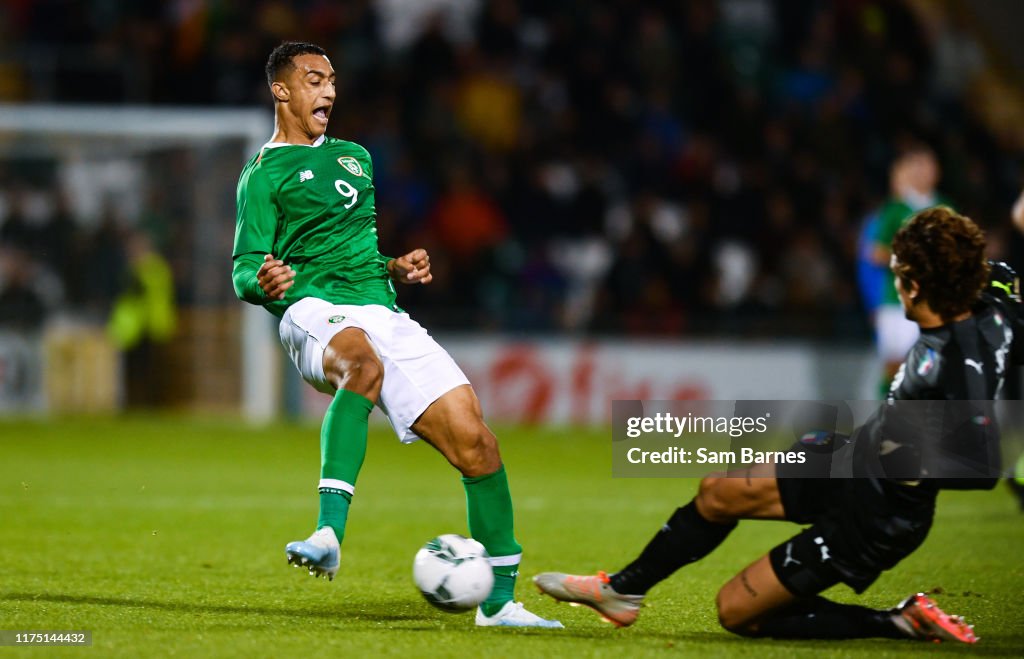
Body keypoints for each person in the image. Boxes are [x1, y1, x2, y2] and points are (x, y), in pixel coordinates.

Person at [536, 207, 1015, 643]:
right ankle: (622, 592)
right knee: (718, 492)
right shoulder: (997, 287)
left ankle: (897, 620)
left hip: (879, 515)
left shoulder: (954, 361)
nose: (893, 283)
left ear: (913, 284)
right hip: (853, 458)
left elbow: (980, 466)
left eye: (896, 274)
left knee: (737, 612)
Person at [231, 42, 560, 628]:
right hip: (310, 311)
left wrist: (393, 266)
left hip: (380, 310)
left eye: (332, 80)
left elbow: (350, 253)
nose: (329, 91)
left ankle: (498, 603)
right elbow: (242, 270)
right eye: (313, 80)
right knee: (361, 367)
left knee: (477, 445)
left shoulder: (357, 158)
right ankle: (329, 531)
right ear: (281, 91)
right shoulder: (262, 175)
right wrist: (264, 279)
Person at [870, 147, 946, 387]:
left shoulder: (945, 207)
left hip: (933, 300)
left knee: (927, 363)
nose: (924, 172)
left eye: (929, 166)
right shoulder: (895, 209)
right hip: (896, 300)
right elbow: (876, 252)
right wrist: (910, 260)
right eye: (918, 166)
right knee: (894, 365)